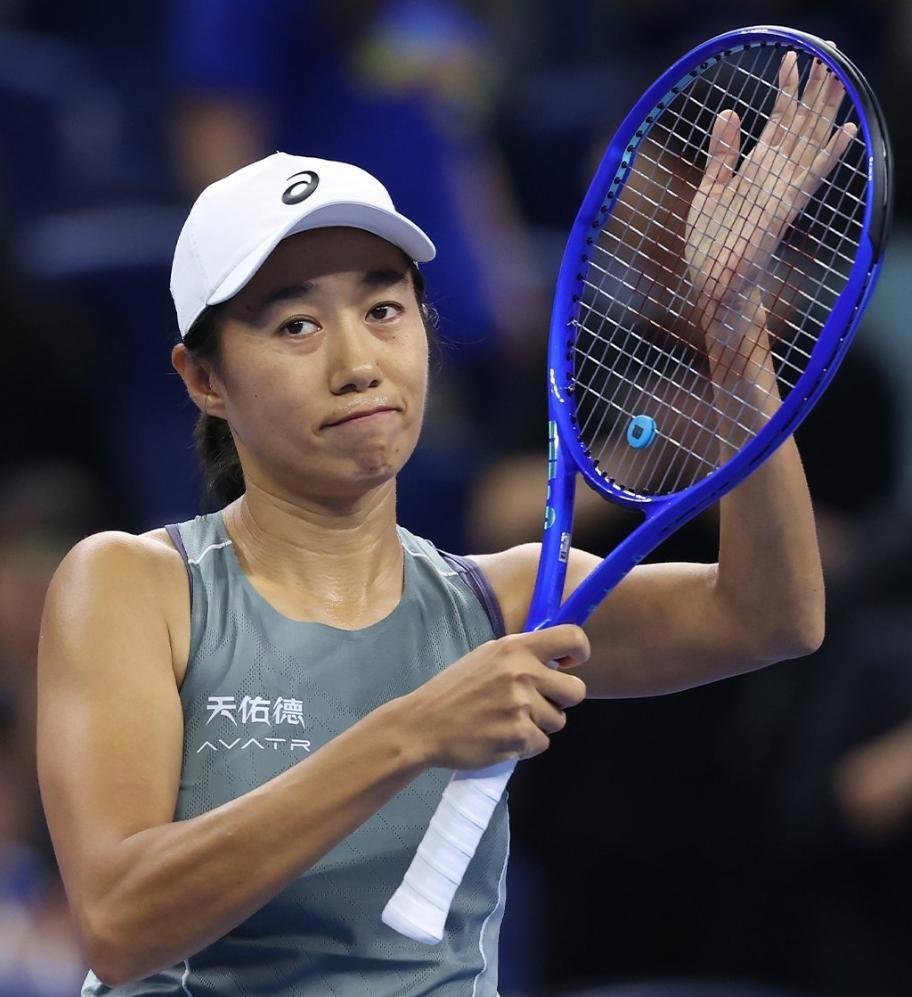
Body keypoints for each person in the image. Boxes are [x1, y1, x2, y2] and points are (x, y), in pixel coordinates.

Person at [36, 79, 835, 994]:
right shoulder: (134, 584)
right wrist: (414, 730)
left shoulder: (506, 600)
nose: (357, 363)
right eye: (296, 325)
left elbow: (772, 616)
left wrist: (733, 335)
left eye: (383, 311)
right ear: (204, 380)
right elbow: (121, 923)